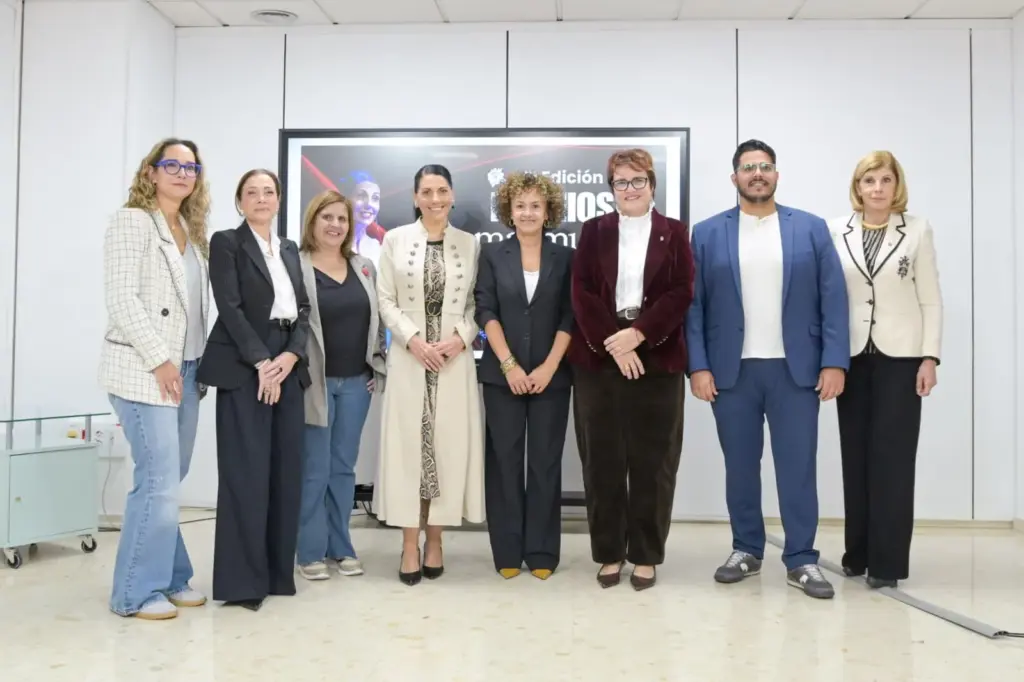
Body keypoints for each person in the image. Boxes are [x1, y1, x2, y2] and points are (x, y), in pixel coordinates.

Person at [686, 139, 850, 600]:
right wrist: (697, 366)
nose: (757, 173)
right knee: (740, 467)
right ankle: (746, 549)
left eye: (765, 167)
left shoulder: (811, 229)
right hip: (730, 372)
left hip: (795, 372)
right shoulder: (707, 232)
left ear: (777, 175)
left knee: (797, 468)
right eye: (748, 167)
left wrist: (835, 361)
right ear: (734, 177)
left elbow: (833, 299)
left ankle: (801, 559)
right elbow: (693, 308)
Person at [568, 149, 693, 591]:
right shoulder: (594, 231)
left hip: (656, 357)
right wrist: (614, 343)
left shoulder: (674, 233)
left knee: (653, 463)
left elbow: (681, 292)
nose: (630, 189)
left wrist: (638, 335)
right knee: (602, 460)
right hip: (599, 357)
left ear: (652, 184)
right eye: (621, 182)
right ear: (611, 189)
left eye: (638, 180)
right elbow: (581, 292)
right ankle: (608, 553)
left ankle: (645, 554)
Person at [100, 138, 211, 620]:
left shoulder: (190, 228)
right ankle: (134, 593)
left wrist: (196, 366)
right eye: (172, 164)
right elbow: (122, 300)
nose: (182, 173)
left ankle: (170, 577)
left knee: (169, 480)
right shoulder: (132, 221)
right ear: (151, 172)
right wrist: (160, 359)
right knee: (159, 481)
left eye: (191, 166)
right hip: (145, 370)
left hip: (188, 370)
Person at [197, 169, 311, 611]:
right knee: (246, 474)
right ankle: (243, 583)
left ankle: (276, 574)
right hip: (247, 364)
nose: (261, 199)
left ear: (279, 200)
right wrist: (262, 361)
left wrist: (290, 357)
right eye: (252, 193)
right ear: (240, 202)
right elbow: (230, 307)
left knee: (285, 473)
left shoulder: (286, 249)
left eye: (269, 192)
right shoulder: (227, 242)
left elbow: (301, 310)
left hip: (287, 362)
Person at [828, 151, 942, 588]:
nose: (877, 188)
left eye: (885, 180)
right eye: (869, 180)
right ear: (857, 187)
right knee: (854, 457)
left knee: (892, 460)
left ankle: (888, 564)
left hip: (901, 359)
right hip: (851, 358)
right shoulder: (835, 230)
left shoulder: (917, 230)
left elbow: (930, 298)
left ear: (898, 186)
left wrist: (929, 357)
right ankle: (857, 555)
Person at [374, 164, 484, 586]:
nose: (435, 199)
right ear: (416, 197)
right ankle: (407, 544)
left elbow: (478, 304)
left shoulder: (470, 244)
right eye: (426, 192)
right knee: (408, 451)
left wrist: (459, 339)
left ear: (452, 195)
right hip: (410, 359)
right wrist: (413, 340)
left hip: (453, 363)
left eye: (442, 191)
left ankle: (435, 540)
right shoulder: (396, 240)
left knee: (446, 449)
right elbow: (384, 300)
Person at [474, 171, 574, 580]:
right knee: (505, 463)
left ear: (548, 210)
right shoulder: (494, 255)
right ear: (508, 211)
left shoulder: (566, 256)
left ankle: (543, 552)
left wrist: (549, 366)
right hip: (503, 378)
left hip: (554, 375)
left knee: (546, 464)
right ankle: (508, 552)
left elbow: (572, 315)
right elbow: (486, 311)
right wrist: (510, 365)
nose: (528, 212)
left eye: (536, 205)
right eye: (520, 205)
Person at [296, 190, 387, 581]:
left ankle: (341, 547)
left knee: (343, 469)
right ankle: (310, 550)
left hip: (356, 384)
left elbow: (379, 322)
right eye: (327, 218)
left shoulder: (365, 266)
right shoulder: (295, 266)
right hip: (313, 384)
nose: (335, 225)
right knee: (314, 469)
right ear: (313, 222)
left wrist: (376, 368)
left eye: (342, 219)